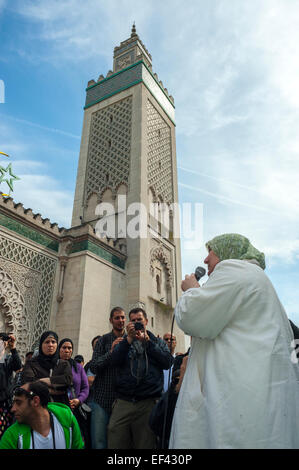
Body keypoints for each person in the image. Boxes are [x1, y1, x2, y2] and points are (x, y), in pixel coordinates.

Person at [169, 233, 299, 449]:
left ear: (226, 253)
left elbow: (193, 317)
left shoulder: (236, 271)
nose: (205, 260)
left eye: (210, 252)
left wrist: (192, 290)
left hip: (236, 396)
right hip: (254, 394)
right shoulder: (254, 277)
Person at [107, 307, 173, 449]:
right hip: (124, 401)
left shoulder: (157, 342)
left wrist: (148, 344)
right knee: (115, 436)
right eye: (133, 320)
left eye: (139, 320)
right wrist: (128, 340)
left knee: (146, 443)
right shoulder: (123, 341)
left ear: (147, 321)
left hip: (148, 402)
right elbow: (114, 362)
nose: (137, 323)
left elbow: (167, 362)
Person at [0, 381, 84, 449]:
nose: (12, 409)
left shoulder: (66, 419)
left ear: (35, 401)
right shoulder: (11, 437)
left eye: (18, 402)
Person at [89, 308, 126, 449]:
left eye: (123, 317)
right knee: (99, 442)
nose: (120, 320)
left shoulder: (130, 340)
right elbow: (94, 366)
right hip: (102, 398)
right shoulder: (103, 340)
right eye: (117, 318)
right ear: (111, 320)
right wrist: (111, 352)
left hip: (123, 400)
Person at [21, 331, 73, 405]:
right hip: (38, 405)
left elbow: (67, 380)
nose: (50, 345)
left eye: (53, 342)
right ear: (41, 345)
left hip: (60, 406)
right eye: (47, 342)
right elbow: (29, 383)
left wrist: (43, 380)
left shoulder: (63, 364)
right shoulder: (32, 363)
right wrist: (53, 391)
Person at [58, 338, 90, 447]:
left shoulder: (78, 368)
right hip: (58, 408)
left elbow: (85, 388)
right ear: (59, 349)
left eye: (69, 348)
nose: (67, 350)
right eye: (64, 348)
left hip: (75, 409)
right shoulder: (54, 365)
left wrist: (78, 400)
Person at [0, 333, 22, 438]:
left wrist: (13, 348)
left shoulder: (8, 359)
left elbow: (18, 366)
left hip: (5, 404)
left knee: (5, 434)